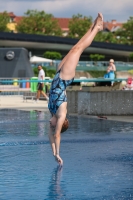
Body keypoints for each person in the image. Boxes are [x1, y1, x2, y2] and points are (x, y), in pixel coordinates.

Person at [48, 13, 104, 166]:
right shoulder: (60, 114)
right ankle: (97, 28)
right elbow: (57, 135)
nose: (50, 124)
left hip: (58, 76)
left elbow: (51, 137)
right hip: (65, 78)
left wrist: (53, 152)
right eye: (52, 125)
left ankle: (93, 27)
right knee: (78, 50)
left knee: (75, 47)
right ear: (61, 122)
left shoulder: (52, 112)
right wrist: (58, 154)